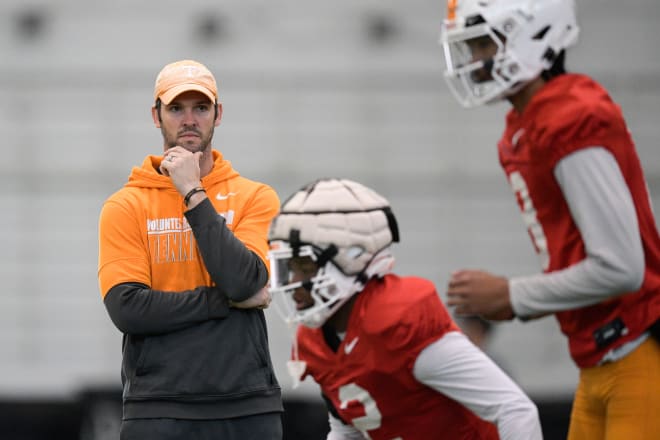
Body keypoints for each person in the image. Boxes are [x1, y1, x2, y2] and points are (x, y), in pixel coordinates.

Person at [439, 1, 660, 439]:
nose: (476, 59)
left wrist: (512, 295)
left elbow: (622, 267)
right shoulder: (526, 124)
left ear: (533, 35)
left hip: (637, 347)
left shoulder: (567, 115)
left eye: (485, 43)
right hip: (598, 356)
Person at [267, 178, 543, 439]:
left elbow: (515, 410)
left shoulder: (399, 321)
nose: (293, 283)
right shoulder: (314, 340)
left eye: (304, 268)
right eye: (290, 269)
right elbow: (348, 432)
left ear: (351, 259)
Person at [97, 59, 283, 439]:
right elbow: (128, 309)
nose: (189, 119)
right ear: (156, 115)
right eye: (176, 108)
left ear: (218, 114)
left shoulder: (256, 197)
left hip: (247, 405)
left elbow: (243, 282)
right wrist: (222, 303)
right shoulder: (126, 205)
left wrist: (193, 193)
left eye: (201, 108)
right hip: (158, 407)